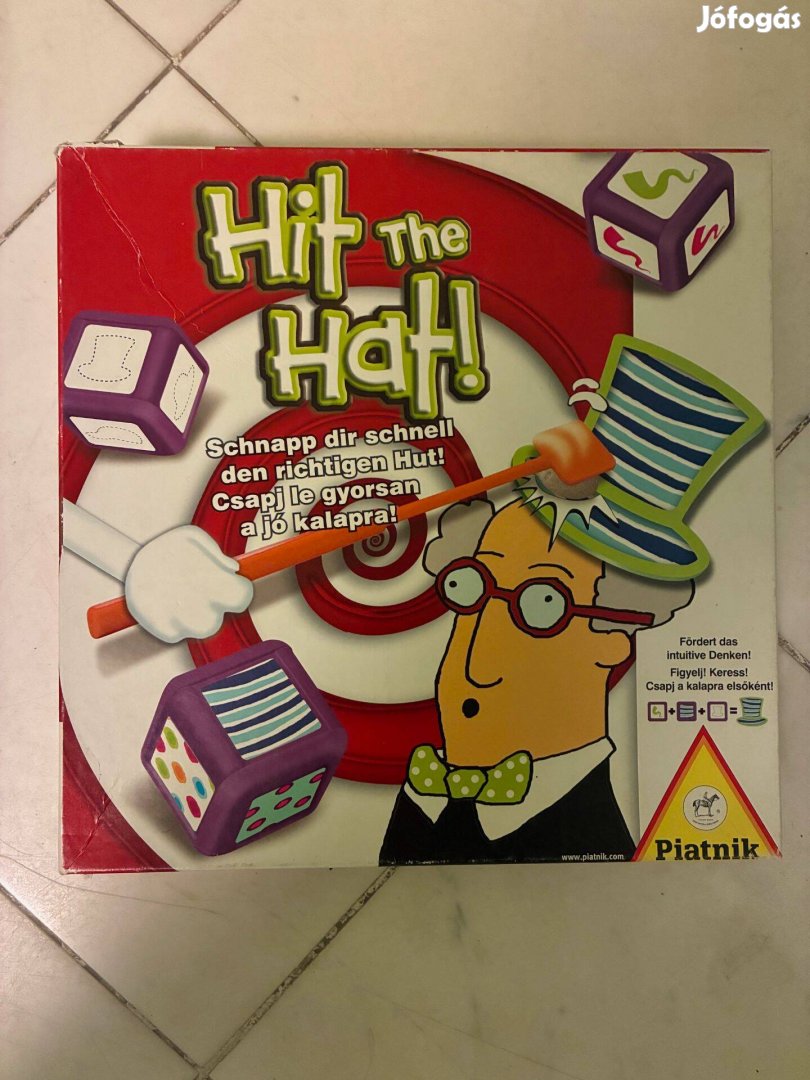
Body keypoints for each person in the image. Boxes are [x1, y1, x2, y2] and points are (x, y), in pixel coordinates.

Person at [379, 497, 693, 864]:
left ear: (612, 639)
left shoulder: (591, 840)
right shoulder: (419, 805)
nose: (474, 668)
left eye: (545, 602)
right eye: (471, 587)